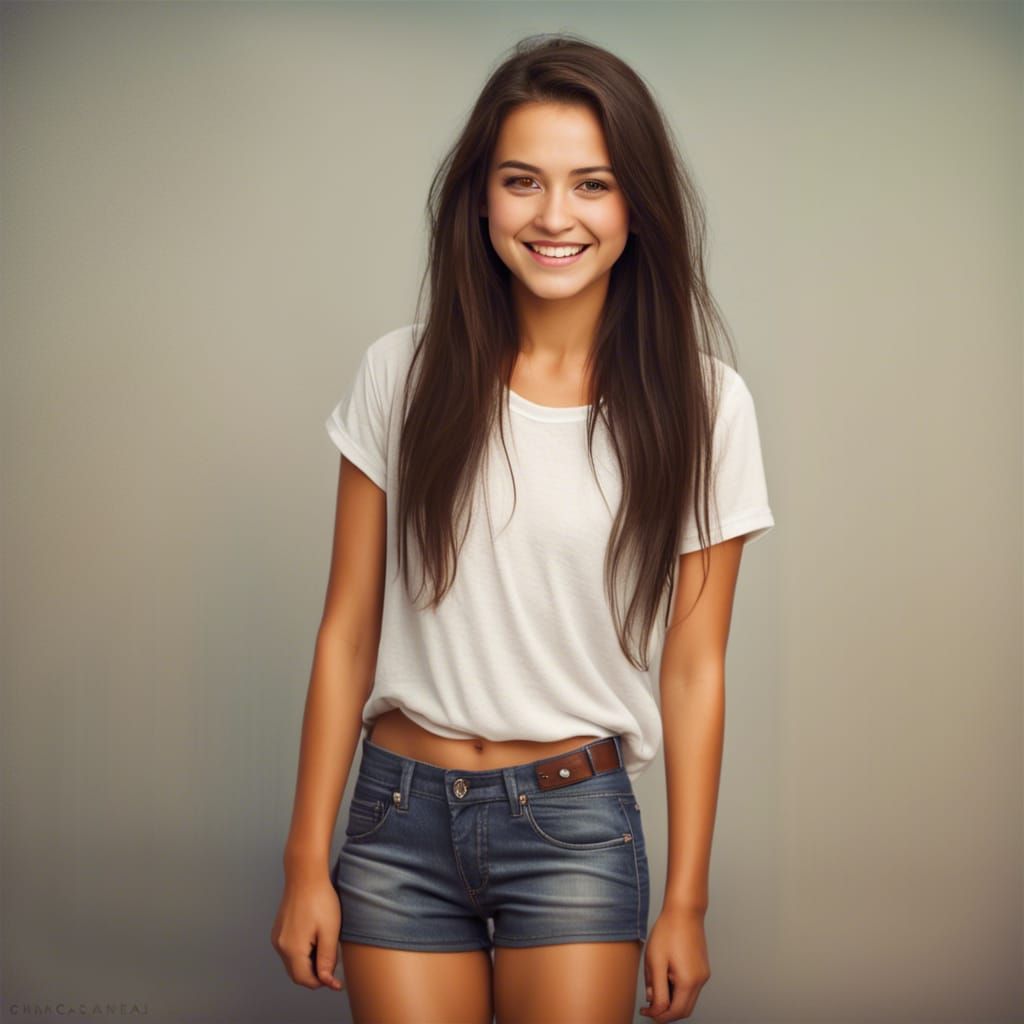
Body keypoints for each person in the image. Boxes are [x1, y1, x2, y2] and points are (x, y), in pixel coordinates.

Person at [271, 32, 775, 1024]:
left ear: (637, 206)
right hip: (394, 815)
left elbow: (694, 667)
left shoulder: (704, 403)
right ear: (480, 200)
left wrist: (686, 898)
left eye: (592, 183)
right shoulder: (399, 374)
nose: (554, 216)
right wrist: (304, 860)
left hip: (575, 826)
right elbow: (347, 631)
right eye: (521, 181)